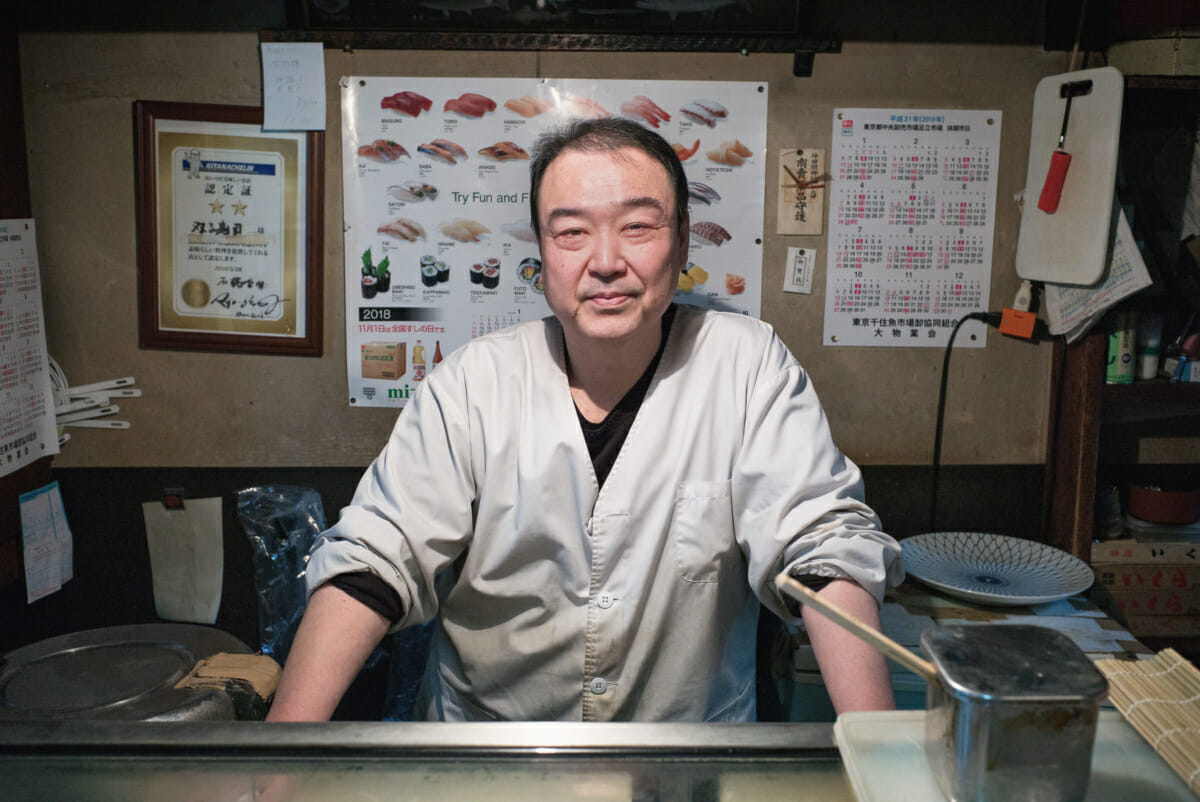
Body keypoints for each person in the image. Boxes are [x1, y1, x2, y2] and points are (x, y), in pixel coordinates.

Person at [267, 117, 904, 723]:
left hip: (682, 754)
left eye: (638, 227)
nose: (604, 261)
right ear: (542, 250)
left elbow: (824, 544)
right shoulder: (471, 384)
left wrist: (880, 750)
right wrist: (278, 756)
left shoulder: (748, 366)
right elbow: (376, 557)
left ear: (682, 240)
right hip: (492, 754)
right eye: (571, 232)